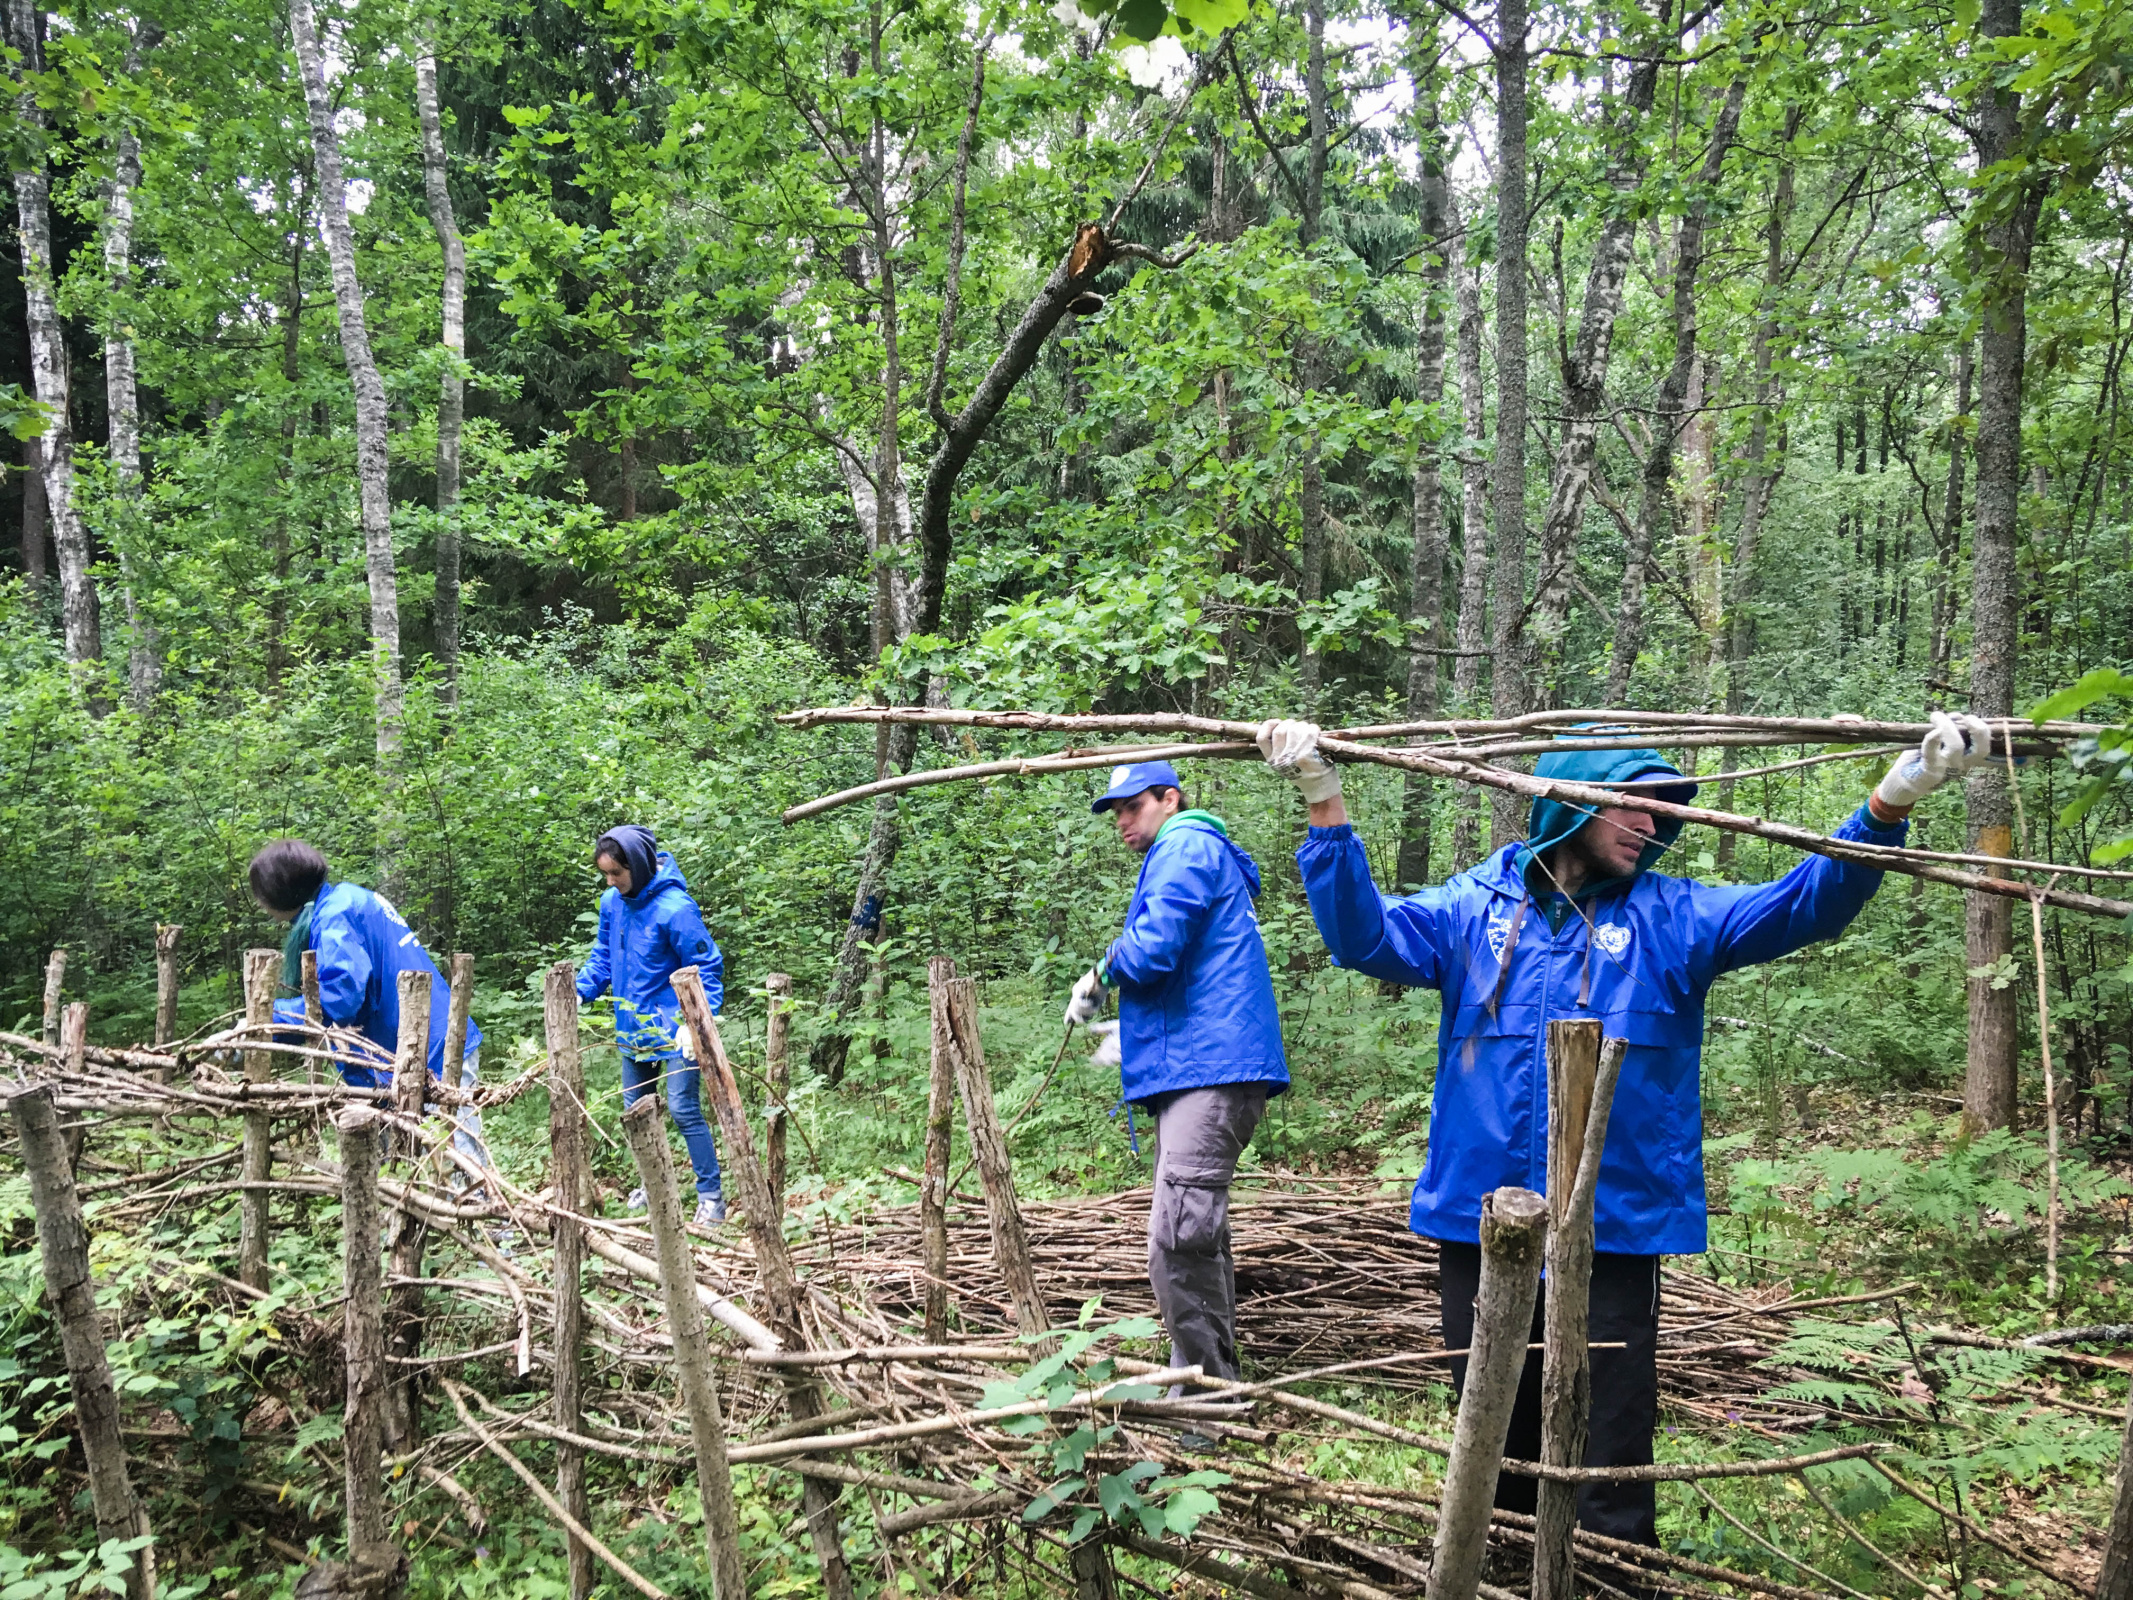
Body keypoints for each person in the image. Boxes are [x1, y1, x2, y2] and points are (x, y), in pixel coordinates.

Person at [1256, 711, 1991, 1550]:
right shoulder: (1474, 907)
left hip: (1613, 1223)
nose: (1655, 825)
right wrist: (1323, 796)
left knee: (1605, 1440)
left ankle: (1611, 1571)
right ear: (1572, 803)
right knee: (1490, 1428)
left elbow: (1804, 907)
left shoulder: (1674, 918)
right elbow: (1363, 937)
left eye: (1665, 809)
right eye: (1635, 805)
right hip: (1481, 1218)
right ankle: (1497, 1563)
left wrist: (1894, 800)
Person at [1065, 761, 1289, 1412]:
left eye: (1132, 807)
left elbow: (1154, 948)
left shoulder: (1184, 843)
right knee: (1197, 1237)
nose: (1122, 823)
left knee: (1177, 1240)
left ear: (1170, 798)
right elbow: (1186, 968)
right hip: (1200, 1066)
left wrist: (1104, 970)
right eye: (1115, 813)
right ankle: (1206, 1378)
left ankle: (1207, 1398)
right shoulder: (1188, 851)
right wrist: (1129, 1033)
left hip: (1212, 1071)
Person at [252, 839, 490, 1174]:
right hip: (413, 1046)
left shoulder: (336, 915)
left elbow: (341, 998)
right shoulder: (347, 898)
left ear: (279, 893)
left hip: (431, 1051)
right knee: (405, 1166)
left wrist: (267, 1018)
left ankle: (493, 1227)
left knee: (459, 1166)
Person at [576, 824, 728, 1228]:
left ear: (638, 866)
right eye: (605, 874)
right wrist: (579, 991)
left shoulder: (676, 908)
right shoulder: (612, 902)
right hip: (632, 1028)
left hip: (675, 1031)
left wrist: (692, 1021)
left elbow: (707, 969)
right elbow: (603, 957)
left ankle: (711, 1197)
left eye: (616, 873)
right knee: (636, 1111)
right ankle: (653, 1184)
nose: (610, 881)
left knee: (682, 1108)